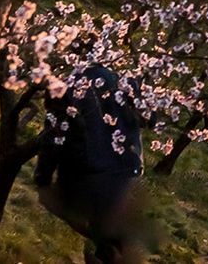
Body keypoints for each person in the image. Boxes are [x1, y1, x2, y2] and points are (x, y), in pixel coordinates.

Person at [34, 63, 143, 263]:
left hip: (88, 172)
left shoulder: (65, 84)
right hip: (127, 167)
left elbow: (55, 134)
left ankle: (105, 249)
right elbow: (143, 118)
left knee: (55, 201)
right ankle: (108, 248)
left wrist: (42, 177)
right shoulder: (125, 79)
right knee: (112, 231)